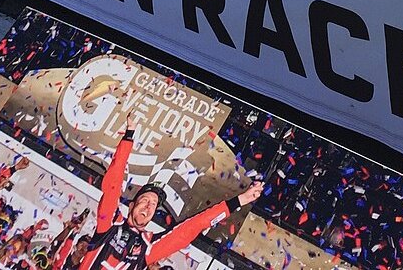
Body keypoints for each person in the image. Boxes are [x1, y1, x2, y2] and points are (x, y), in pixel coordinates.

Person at [79, 115, 264, 270]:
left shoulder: (149, 247)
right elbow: (112, 185)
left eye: (153, 205)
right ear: (132, 205)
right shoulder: (110, 225)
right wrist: (129, 135)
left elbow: (190, 228)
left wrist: (239, 201)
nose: (149, 206)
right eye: (145, 200)